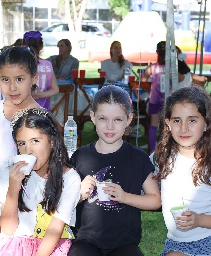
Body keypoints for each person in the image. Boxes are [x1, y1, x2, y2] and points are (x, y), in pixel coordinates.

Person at [67, 85, 161, 256]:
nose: (110, 126)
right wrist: (80, 194)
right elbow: (63, 201)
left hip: (124, 242)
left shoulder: (138, 158)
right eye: (103, 118)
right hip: (86, 240)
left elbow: (155, 200)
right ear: (93, 117)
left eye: (117, 119)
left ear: (129, 119)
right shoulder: (80, 157)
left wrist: (125, 197)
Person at [152, 86, 211, 256]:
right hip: (179, 245)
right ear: (168, 124)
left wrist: (199, 220)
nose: (184, 128)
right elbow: (136, 173)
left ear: (206, 124)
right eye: (177, 120)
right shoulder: (160, 159)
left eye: (192, 120)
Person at [0, 108, 81, 255]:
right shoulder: (11, 174)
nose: (28, 150)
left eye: (35, 141)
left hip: (49, 247)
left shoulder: (69, 178)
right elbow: (8, 229)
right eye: (21, 143)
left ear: (51, 141)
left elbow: (54, 231)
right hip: (13, 246)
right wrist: (13, 189)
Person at [0, 46, 41, 256]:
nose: (12, 87)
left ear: (34, 78)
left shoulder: (41, 118)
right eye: (5, 79)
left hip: (26, 198)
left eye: (20, 79)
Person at [141, 41, 167, 152]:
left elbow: (142, 81)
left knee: (153, 124)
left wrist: (149, 90)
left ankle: (152, 150)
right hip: (168, 99)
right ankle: (165, 148)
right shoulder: (173, 68)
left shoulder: (152, 68)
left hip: (155, 99)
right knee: (167, 125)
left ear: (157, 52)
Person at [23, 31, 59, 110]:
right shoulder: (47, 64)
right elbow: (55, 89)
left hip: (22, 110)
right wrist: (39, 95)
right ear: (41, 46)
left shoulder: (19, 65)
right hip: (43, 110)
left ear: (23, 46)